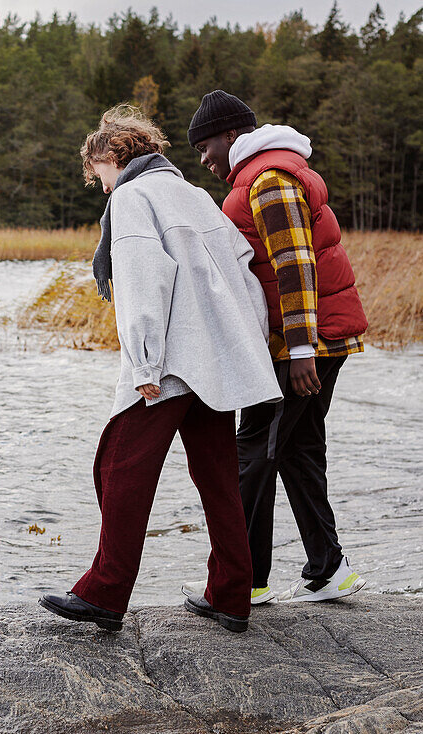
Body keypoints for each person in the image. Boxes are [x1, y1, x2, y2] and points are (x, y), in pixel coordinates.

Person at [37, 105, 282, 634]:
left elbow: (144, 278)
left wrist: (145, 360)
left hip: (169, 362)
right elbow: (244, 271)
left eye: (97, 174)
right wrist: (245, 346)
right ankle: (231, 594)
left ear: (109, 156)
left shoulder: (132, 195)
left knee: (118, 466)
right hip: (213, 361)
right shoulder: (195, 196)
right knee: (217, 475)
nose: (100, 186)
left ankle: (105, 592)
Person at [186, 90, 368, 605]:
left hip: (301, 346)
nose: (203, 159)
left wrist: (301, 348)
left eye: (205, 146)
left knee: (253, 452)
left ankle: (239, 583)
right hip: (308, 341)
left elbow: (295, 267)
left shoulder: (268, 181)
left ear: (231, 137)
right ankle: (326, 569)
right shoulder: (269, 173)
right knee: (296, 450)